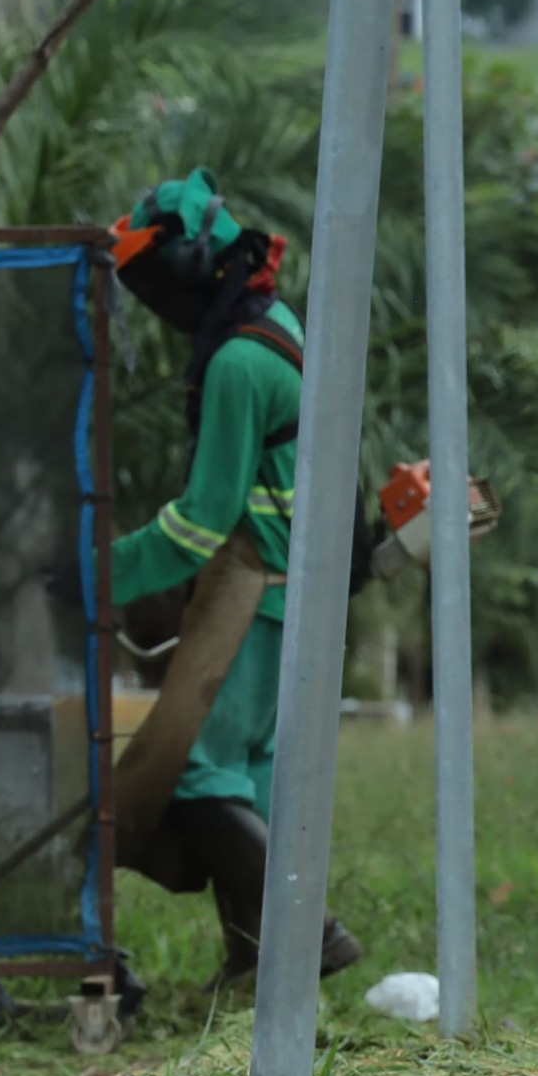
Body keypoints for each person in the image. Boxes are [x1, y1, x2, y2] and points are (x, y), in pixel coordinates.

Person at [104, 169, 364, 986]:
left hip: (250, 590)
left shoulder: (238, 365)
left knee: (192, 771)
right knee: (247, 778)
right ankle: (254, 963)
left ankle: (309, 933)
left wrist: (96, 571)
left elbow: (201, 521)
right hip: (296, 595)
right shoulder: (277, 326)